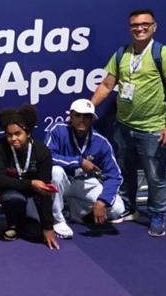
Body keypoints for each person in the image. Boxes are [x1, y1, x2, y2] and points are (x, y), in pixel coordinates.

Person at [91, 9, 166, 237]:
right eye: (134, 25)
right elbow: (106, 85)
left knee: (155, 176)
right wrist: (89, 107)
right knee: (124, 170)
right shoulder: (121, 54)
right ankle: (128, 207)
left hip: (152, 129)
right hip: (123, 127)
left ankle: (157, 214)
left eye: (145, 24)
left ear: (154, 27)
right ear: (129, 28)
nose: (139, 28)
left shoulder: (163, 54)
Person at [45, 99, 125, 239]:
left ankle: (76, 211)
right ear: (71, 116)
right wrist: (79, 162)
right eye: (78, 115)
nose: (82, 120)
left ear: (92, 119)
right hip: (64, 181)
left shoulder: (101, 143)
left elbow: (115, 176)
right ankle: (58, 220)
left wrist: (102, 201)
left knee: (118, 209)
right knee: (55, 171)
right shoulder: (57, 130)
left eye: (87, 116)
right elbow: (48, 157)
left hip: (84, 182)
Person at [0, 105, 59, 250]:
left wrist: (48, 227)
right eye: (9, 135)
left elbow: (45, 191)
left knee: (35, 234)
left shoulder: (42, 151)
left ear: (27, 133)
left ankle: (27, 219)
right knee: (12, 198)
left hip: (34, 195)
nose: (13, 139)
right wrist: (30, 183)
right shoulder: (1, 147)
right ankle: (12, 224)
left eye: (17, 134)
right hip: (12, 191)